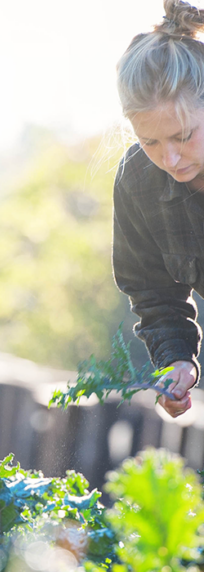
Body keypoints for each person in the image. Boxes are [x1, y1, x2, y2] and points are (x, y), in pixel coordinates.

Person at [113, 0, 204, 418]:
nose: (169, 159)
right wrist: (177, 360)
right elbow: (154, 292)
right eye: (151, 142)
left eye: (182, 136)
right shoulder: (138, 182)